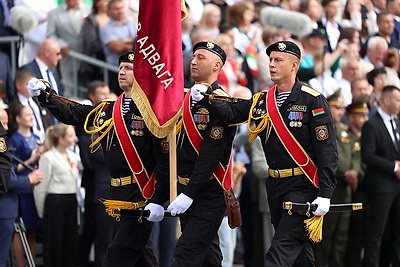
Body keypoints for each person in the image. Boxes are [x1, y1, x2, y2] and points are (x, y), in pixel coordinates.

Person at [193, 40, 338, 266]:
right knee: (299, 253)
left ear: (294, 65)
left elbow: (327, 150)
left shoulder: (312, 100)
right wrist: (207, 96)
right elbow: (232, 112)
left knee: (280, 252)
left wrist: (326, 193)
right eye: (270, 60)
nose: (271, 64)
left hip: (303, 185)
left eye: (278, 60)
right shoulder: (262, 100)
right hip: (275, 185)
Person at [28, 51, 169, 267]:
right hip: (116, 192)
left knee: (117, 254)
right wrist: (47, 97)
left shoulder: (153, 111)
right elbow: (75, 113)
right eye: (121, 67)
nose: (122, 72)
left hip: (141, 192)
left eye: (129, 68)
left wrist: (159, 198)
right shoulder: (108, 109)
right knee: (141, 254)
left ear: (141, 73)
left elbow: (163, 157)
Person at [165, 41, 237, 266]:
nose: (193, 61)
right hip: (186, 186)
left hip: (208, 191)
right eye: (193, 57)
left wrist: (189, 193)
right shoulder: (184, 98)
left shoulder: (221, 103)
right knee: (207, 255)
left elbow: (210, 155)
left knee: (186, 252)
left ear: (217, 65)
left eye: (201, 58)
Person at [361, 85, 400, 267]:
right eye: (397, 100)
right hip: (381, 187)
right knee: (376, 232)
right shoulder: (371, 124)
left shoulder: (397, 123)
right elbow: (367, 155)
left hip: (397, 186)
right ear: (386, 100)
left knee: (397, 231)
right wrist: (393, 167)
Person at [0, 108, 43, 267]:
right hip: (4, 207)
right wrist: (29, 179)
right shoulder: (7, 143)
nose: (5, 128)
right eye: (2, 123)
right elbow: (6, 180)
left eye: (6, 123)